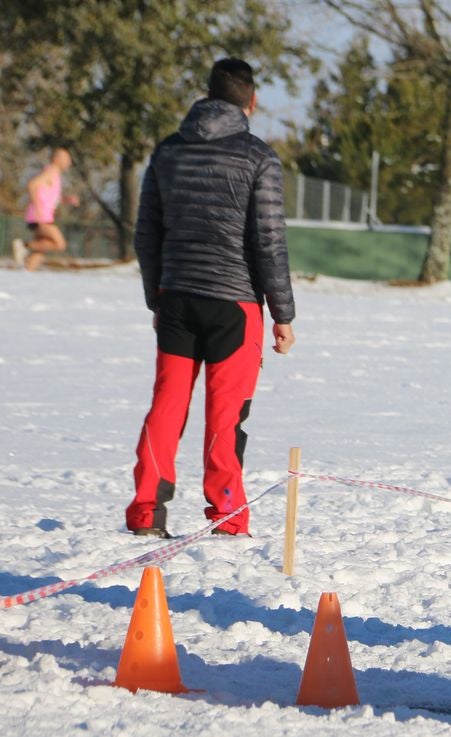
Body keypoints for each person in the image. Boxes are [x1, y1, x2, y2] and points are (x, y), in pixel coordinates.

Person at [126, 58, 296, 539]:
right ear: (252, 101)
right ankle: (227, 515)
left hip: (177, 296)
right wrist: (282, 314)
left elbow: (146, 234)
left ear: (207, 95)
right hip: (234, 306)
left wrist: (157, 296)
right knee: (226, 415)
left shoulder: (167, 151)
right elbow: (268, 242)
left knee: (167, 405)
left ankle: (145, 511)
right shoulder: (258, 157)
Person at [13, 148, 79, 271]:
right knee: (60, 244)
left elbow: (53, 198)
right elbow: (32, 184)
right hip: (40, 216)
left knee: (41, 248)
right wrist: (38, 207)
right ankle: (23, 245)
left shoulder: (55, 175)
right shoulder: (51, 171)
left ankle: (26, 271)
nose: (68, 162)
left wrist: (67, 200)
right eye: (66, 159)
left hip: (44, 215)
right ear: (56, 159)